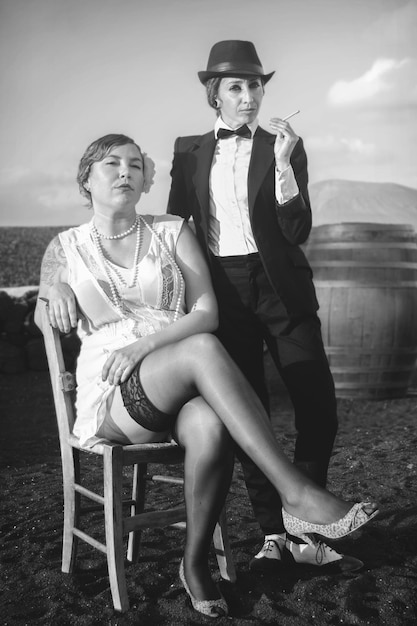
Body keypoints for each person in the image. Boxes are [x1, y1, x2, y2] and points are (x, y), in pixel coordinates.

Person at [35, 133, 378, 619]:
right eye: (111, 163)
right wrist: (54, 286)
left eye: (135, 163)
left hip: (173, 374)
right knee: (199, 351)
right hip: (114, 396)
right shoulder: (63, 248)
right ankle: (295, 493)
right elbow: (44, 310)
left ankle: (194, 564)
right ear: (85, 178)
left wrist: (146, 344)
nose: (125, 171)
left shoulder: (171, 231)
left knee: (210, 423)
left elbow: (207, 311)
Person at [167, 40, 361, 573]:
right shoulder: (187, 151)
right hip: (222, 293)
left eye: (255, 85)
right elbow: (175, 229)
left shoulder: (284, 145)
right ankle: (274, 534)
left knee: (318, 403)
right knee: (248, 414)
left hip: (282, 288)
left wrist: (281, 164)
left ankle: (307, 524)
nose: (249, 96)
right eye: (237, 86)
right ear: (216, 95)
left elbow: (297, 229)